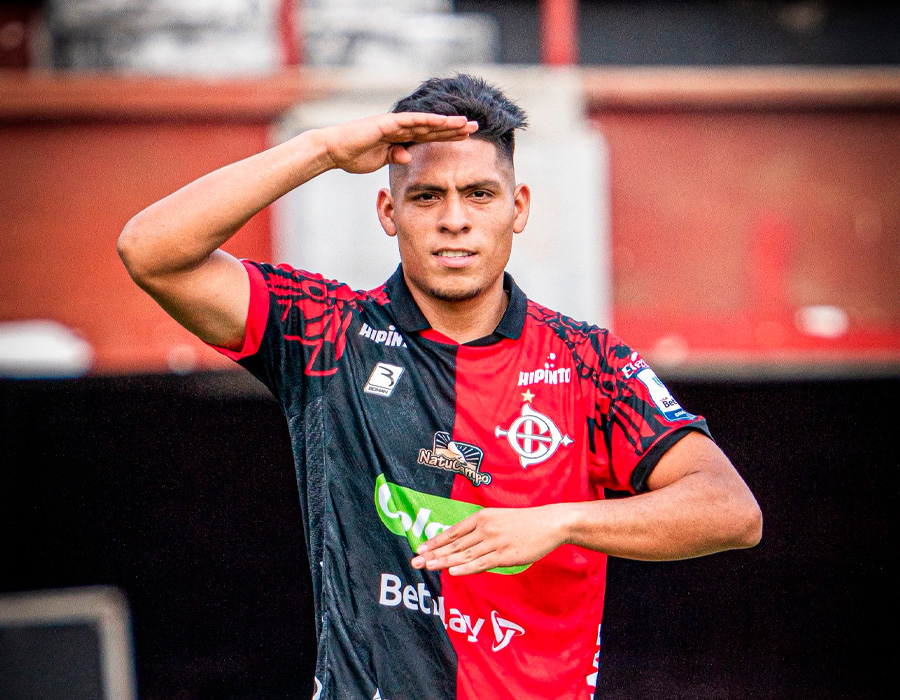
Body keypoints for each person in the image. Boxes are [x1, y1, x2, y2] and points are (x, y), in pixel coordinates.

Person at [117, 74, 762, 700]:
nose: (455, 220)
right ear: (388, 211)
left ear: (518, 208)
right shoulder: (329, 334)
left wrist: (560, 521)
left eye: (479, 194)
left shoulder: (587, 362)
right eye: (427, 197)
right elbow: (150, 251)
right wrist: (323, 149)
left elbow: (732, 511)